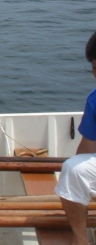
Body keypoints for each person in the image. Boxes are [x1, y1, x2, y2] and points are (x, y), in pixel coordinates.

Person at [55, 31, 96, 245]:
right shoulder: (94, 99)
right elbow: (88, 146)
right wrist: (72, 188)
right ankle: (80, 240)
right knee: (73, 169)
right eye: (95, 69)